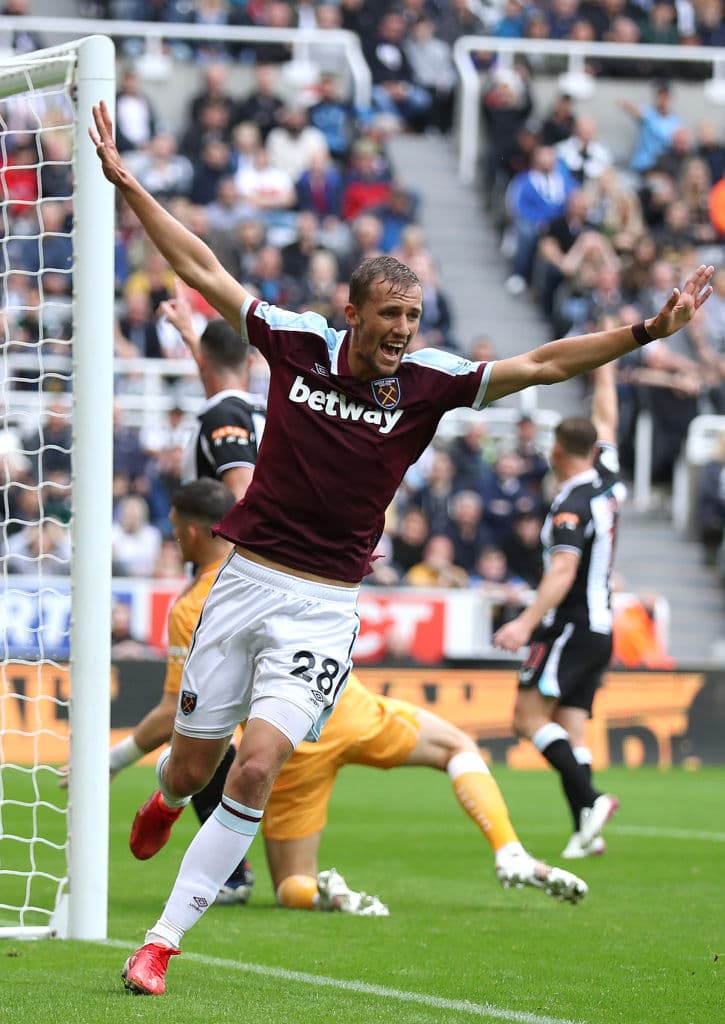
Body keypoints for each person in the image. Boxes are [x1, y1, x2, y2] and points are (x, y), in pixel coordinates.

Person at [89, 99, 714, 996]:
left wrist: (645, 332)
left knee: (258, 762)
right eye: (389, 314)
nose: (403, 331)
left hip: (321, 604)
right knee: (191, 764)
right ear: (350, 312)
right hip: (245, 580)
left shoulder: (430, 383)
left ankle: (160, 941)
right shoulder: (296, 342)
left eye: (414, 316)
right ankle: (166, 796)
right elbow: (202, 265)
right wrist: (129, 185)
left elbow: (541, 364)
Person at [114, 480, 589, 919]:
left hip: (287, 745)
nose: (174, 541)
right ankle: (508, 850)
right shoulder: (283, 559)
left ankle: (326, 891)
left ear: (192, 532)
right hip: (344, 709)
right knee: (457, 747)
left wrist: (113, 760)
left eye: (175, 532)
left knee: (291, 884)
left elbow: (175, 709)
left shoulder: (199, 602)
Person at [493, 362, 627, 860]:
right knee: (571, 726)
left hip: (568, 625)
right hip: (601, 627)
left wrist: (525, 624)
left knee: (526, 720)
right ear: (592, 450)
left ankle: (592, 800)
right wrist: (607, 371)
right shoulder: (607, 480)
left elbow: (563, 571)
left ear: (555, 452)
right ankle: (585, 830)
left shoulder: (570, 504)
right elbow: (607, 422)